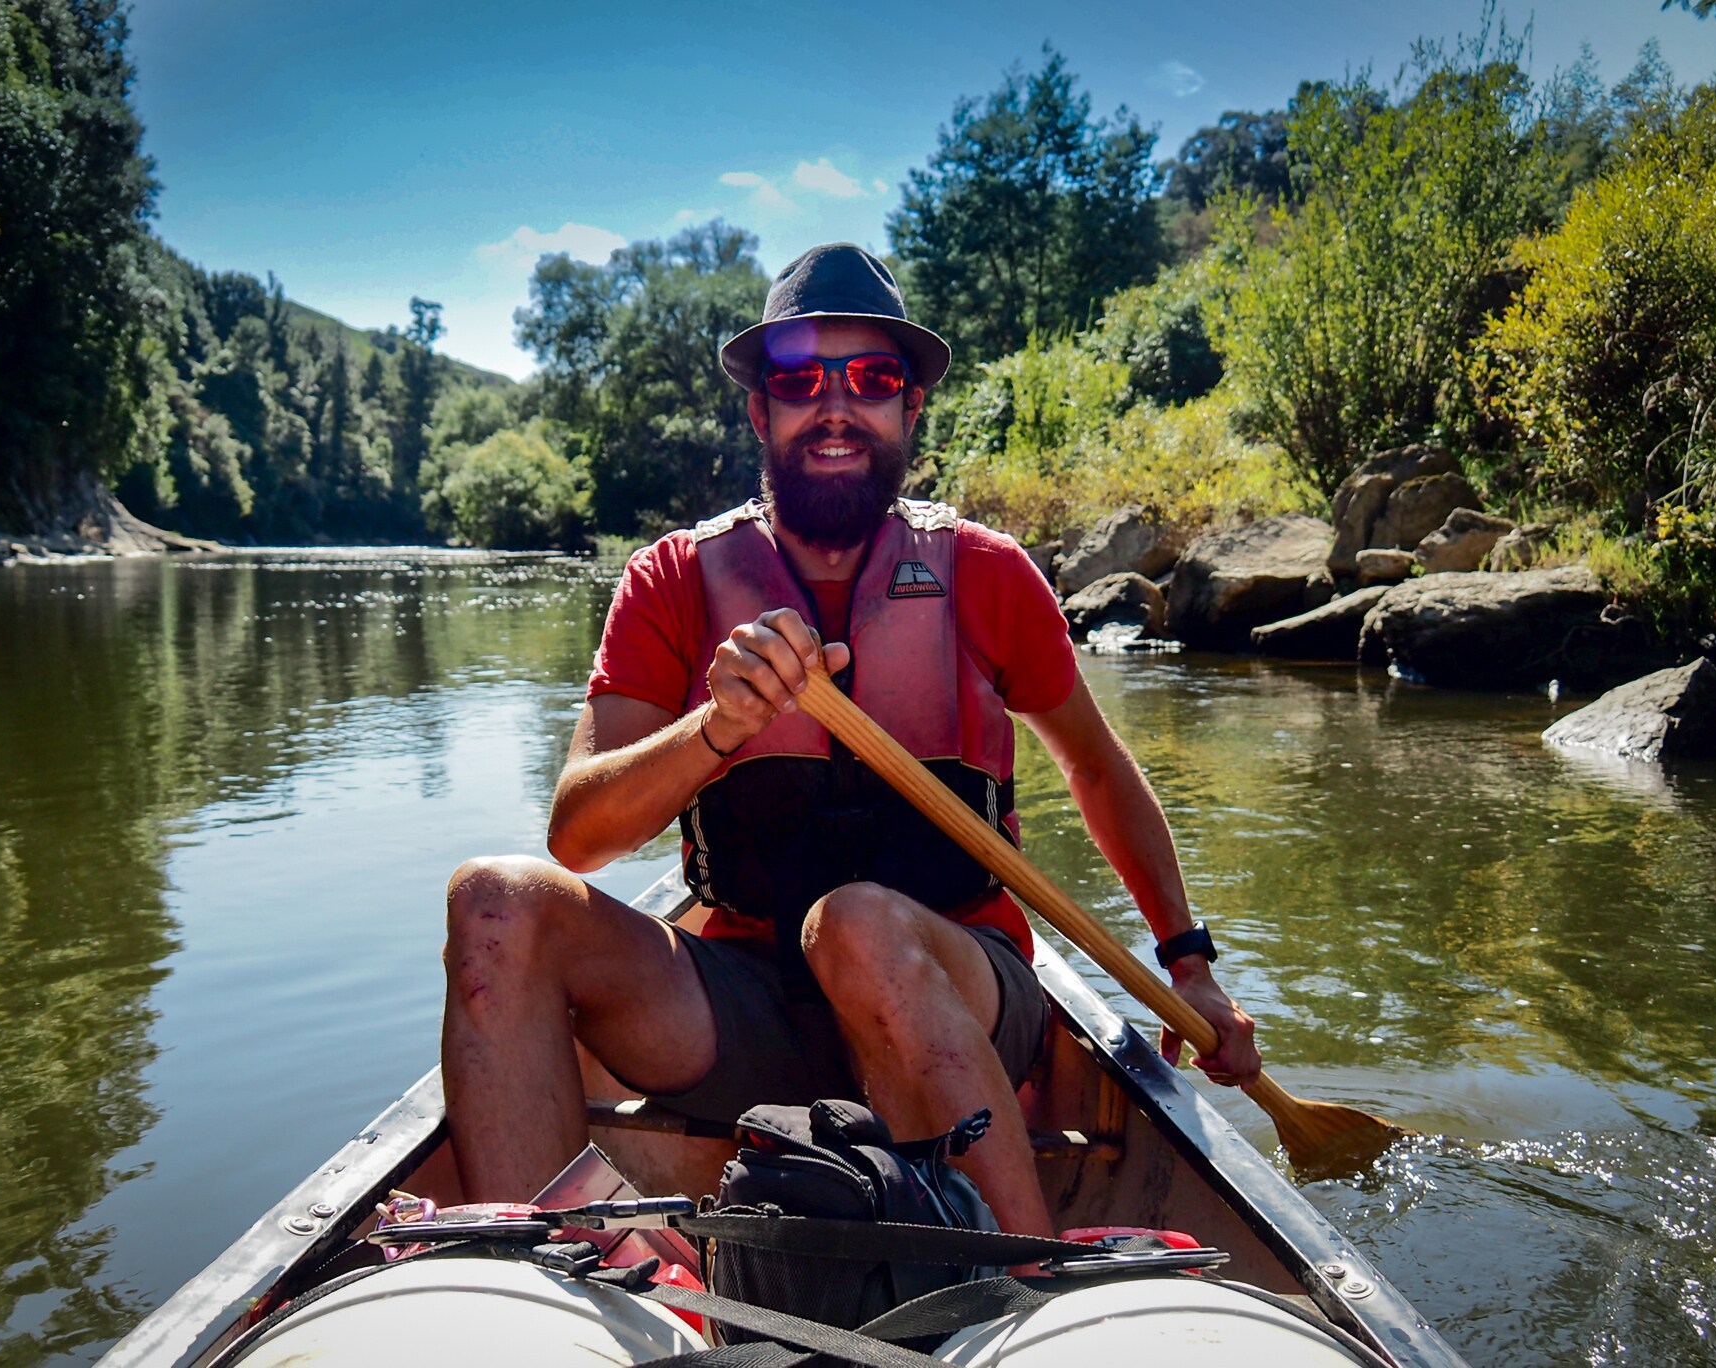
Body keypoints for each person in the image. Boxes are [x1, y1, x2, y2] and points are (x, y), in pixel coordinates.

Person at [441, 243, 1259, 1237]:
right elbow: (577, 837)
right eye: (798, 380)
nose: (835, 406)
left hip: (959, 993)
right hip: (740, 1000)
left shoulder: (989, 576)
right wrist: (715, 728)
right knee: (496, 902)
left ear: (910, 409)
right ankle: (556, 1293)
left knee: (861, 924)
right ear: (761, 411)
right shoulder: (669, 580)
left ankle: (1030, 1280)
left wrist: (1188, 965)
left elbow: (1093, 764)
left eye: (871, 379)